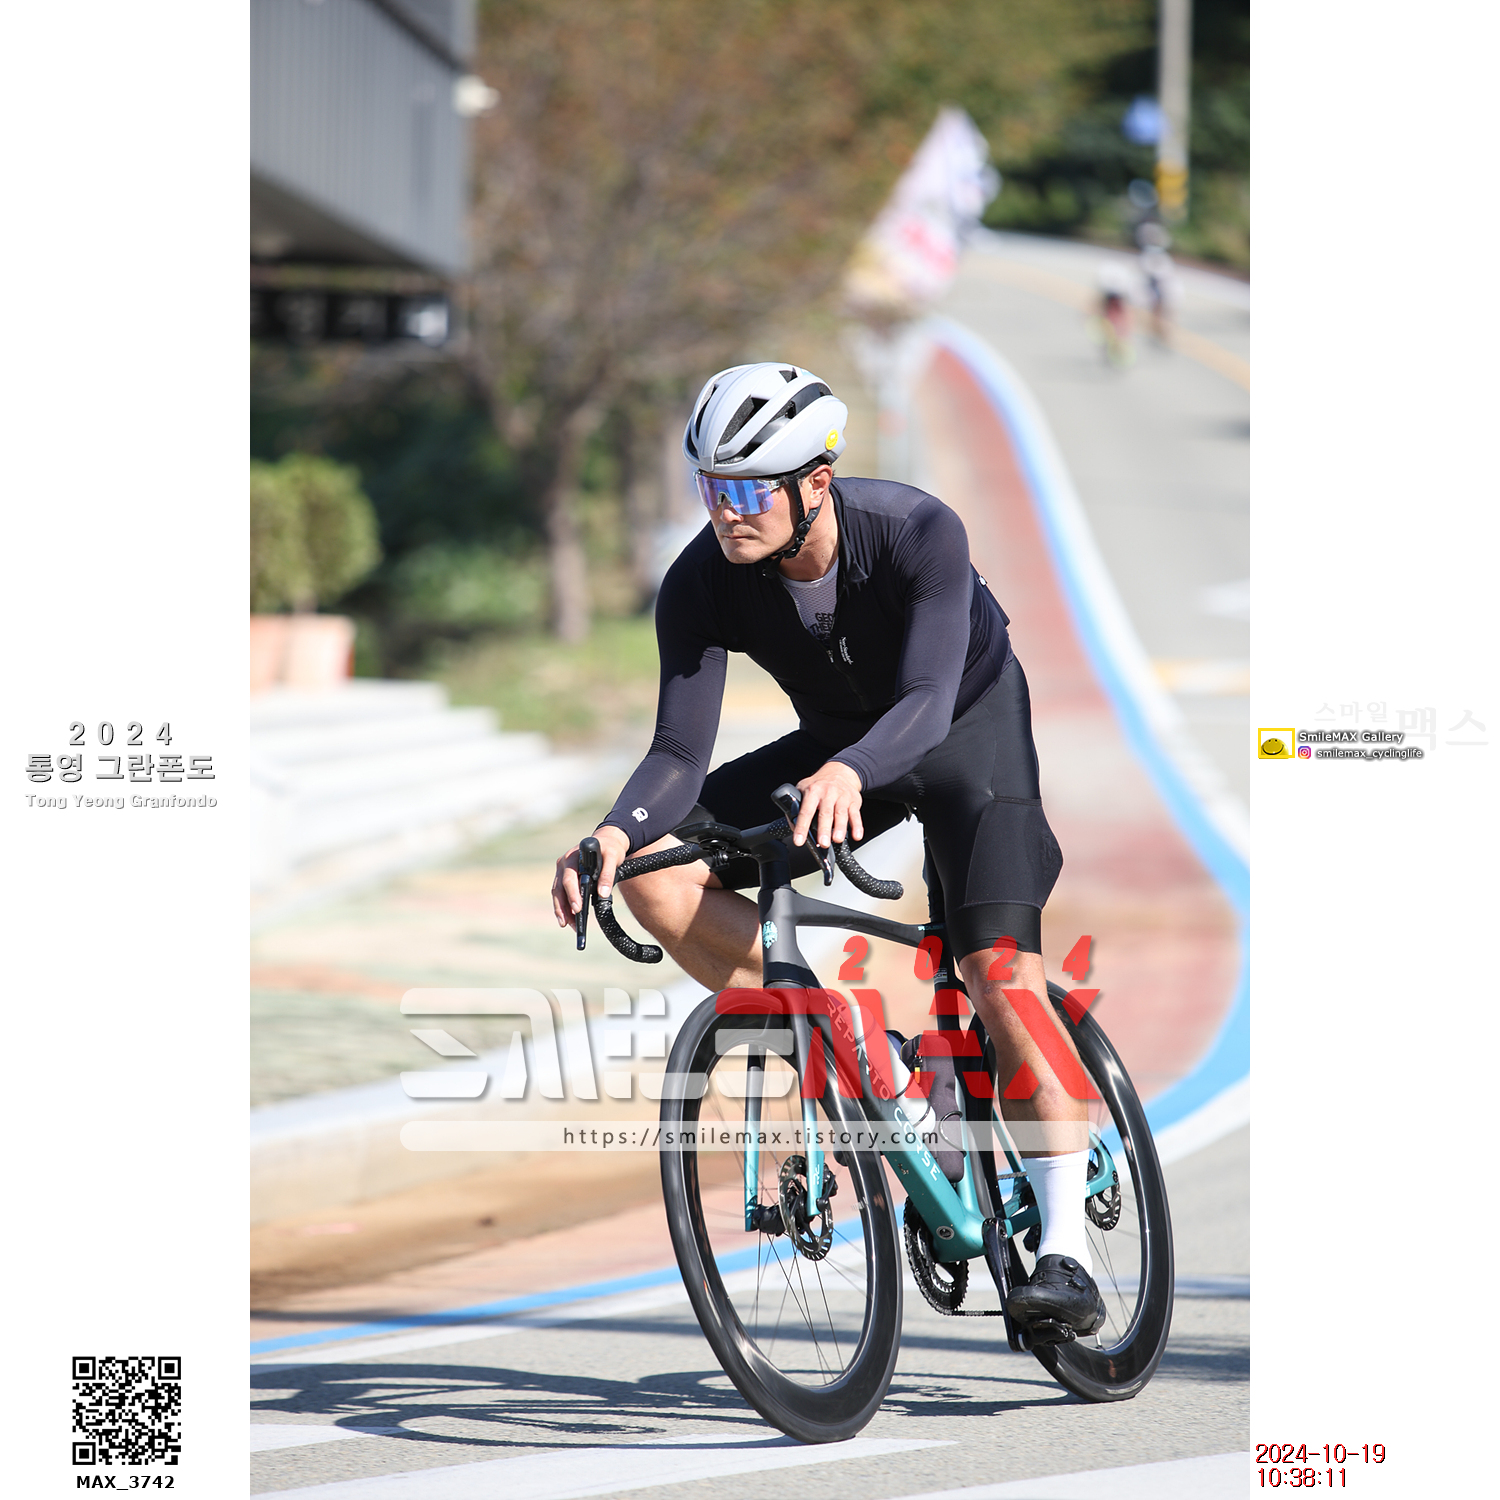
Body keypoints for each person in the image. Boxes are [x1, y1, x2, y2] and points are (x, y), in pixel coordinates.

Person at [551, 361, 1104, 1340]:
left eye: (747, 491)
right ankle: (866, 1051)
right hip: (840, 748)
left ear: (816, 480)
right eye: (711, 488)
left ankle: (1067, 1253)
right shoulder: (703, 580)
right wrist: (612, 833)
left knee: (997, 973)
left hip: (964, 732)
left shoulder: (915, 531)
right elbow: (678, 753)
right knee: (656, 878)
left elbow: (926, 698)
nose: (726, 514)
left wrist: (852, 770)